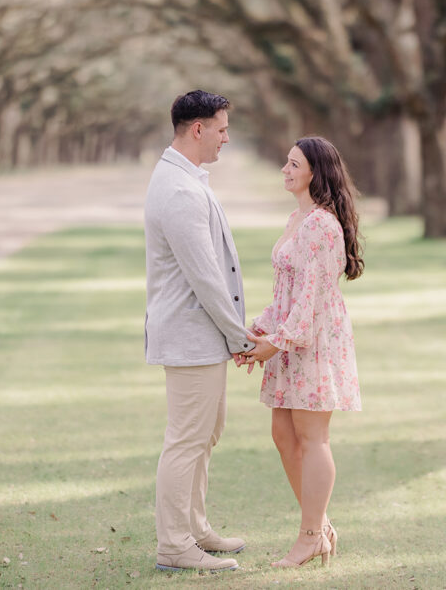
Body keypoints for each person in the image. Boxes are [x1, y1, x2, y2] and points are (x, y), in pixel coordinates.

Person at [143, 89, 255, 573]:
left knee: (205, 434)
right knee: (187, 439)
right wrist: (241, 338)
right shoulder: (179, 189)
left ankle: (196, 527)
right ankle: (173, 545)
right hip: (192, 336)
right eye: (222, 128)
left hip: (202, 336)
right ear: (198, 129)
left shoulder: (186, 179)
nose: (226, 138)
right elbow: (205, 277)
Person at [240, 135, 363, 569]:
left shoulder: (322, 225)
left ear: (316, 172)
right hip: (289, 338)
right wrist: (260, 329)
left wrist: (277, 342)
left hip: (312, 343)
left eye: (294, 164)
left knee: (313, 439)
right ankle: (322, 524)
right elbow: (287, 294)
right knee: (283, 435)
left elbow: (310, 301)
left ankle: (310, 535)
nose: (286, 170)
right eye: (286, 163)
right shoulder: (297, 221)